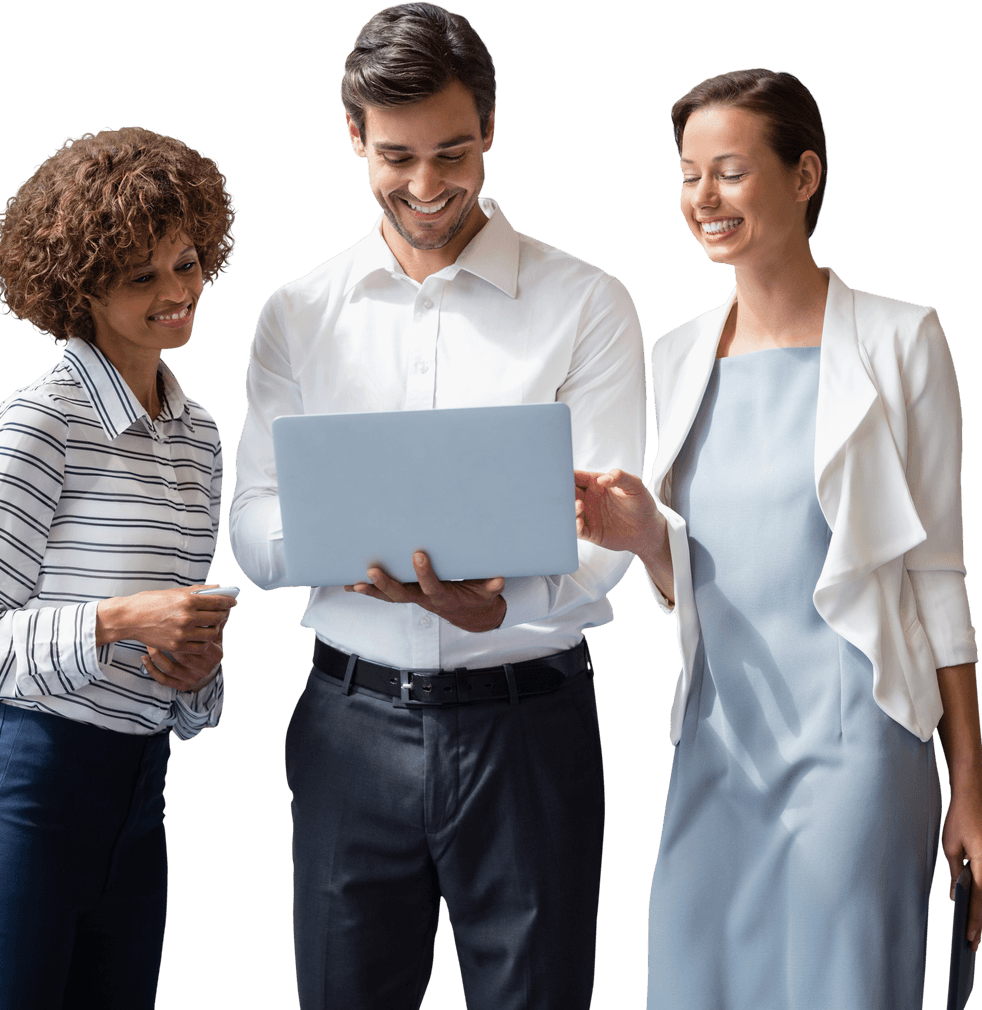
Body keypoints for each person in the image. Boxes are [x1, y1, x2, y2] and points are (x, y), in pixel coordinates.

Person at [228, 4, 644, 1007]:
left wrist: (503, 605)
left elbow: (607, 536)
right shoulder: (298, 312)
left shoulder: (587, 303)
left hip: (528, 730)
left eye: (452, 153)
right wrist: (348, 548)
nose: (425, 186)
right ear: (354, 135)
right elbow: (252, 524)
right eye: (397, 156)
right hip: (347, 727)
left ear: (491, 128)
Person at [574, 68, 982, 1007]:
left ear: (805, 176)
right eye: (689, 176)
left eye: (729, 172)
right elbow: (705, 573)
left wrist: (969, 782)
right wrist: (644, 539)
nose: (703, 198)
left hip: (858, 750)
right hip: (717, 745)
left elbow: (937, 572)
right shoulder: (678, 355)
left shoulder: (903, 340)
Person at [0, 127, 238, 1010]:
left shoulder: (201, 435)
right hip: (25, 798)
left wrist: (196, 673)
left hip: (141, 806)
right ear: (80, 288)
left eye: (185, 264)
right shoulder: (44, 419)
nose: (176, 293)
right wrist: (117, 621)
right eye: (140, 278)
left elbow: (176, 647)